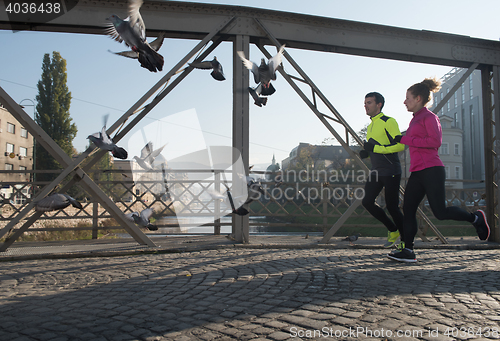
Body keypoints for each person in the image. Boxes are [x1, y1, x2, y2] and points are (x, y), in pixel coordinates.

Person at [387, 78, 490, 263]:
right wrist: (398, 138)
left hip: (432, 170)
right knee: (408, 209)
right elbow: (412, 141)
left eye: (407, 98)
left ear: (418, 98)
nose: (404, 101)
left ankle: (475, 218)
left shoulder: (429, 117)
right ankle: (408, 250)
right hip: (417, 171)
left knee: (440, 212)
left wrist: (405, 140)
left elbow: (435, 142)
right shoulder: (414, 120)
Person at [360, 92, 405, 248]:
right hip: (376, 170)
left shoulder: (389, 121)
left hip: (391, 169)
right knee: (367, 201)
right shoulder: (371, 125)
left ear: (379, 104)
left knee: (392, 206)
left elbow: (400, 145)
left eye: (369, 102)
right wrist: (367, 152)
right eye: (365, 103)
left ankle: (405, 242)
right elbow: (375, 147)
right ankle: (393, 229)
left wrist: (376, 148)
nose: (365, 105)